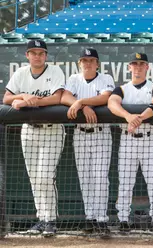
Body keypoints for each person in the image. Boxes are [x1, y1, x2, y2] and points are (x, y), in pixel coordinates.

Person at [3, 40, 65, 236]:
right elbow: (6, 98)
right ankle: (41, 218)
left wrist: (33, 101)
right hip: (29, 130)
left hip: (51, 129)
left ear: (46, 55)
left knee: (46, 175)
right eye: (33, 53)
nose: (37, 56)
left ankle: (51, 220)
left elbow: (58, 98)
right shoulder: (21, 73)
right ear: (27, 55)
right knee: (34, 177)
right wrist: (22, 95)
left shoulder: (55, 71)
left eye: (41, 53)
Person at [107, 53, 153, 233]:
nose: (138, 67)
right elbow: (112, 103)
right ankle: (123, 219)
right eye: (135, 64)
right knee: (125, 182)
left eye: (142, 64)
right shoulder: (122, 89)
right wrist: (127, 116)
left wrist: (137, 118)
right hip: (128, 139)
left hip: (149, 138)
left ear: (147, 67)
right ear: (129, 67)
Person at [60, 48, 115, 235]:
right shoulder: (74, 79)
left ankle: (102, 219)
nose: (88, 63)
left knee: (100, 178)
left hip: (101, 133)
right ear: (79, 63)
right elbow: (64, 96)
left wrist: (81, 101)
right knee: (85, 178)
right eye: (84, 60)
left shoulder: (106, 78)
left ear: (97, 63)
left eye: (91, 60)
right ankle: (90, 217)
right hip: (80, 133)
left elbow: (106, 97)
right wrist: (82, 106)